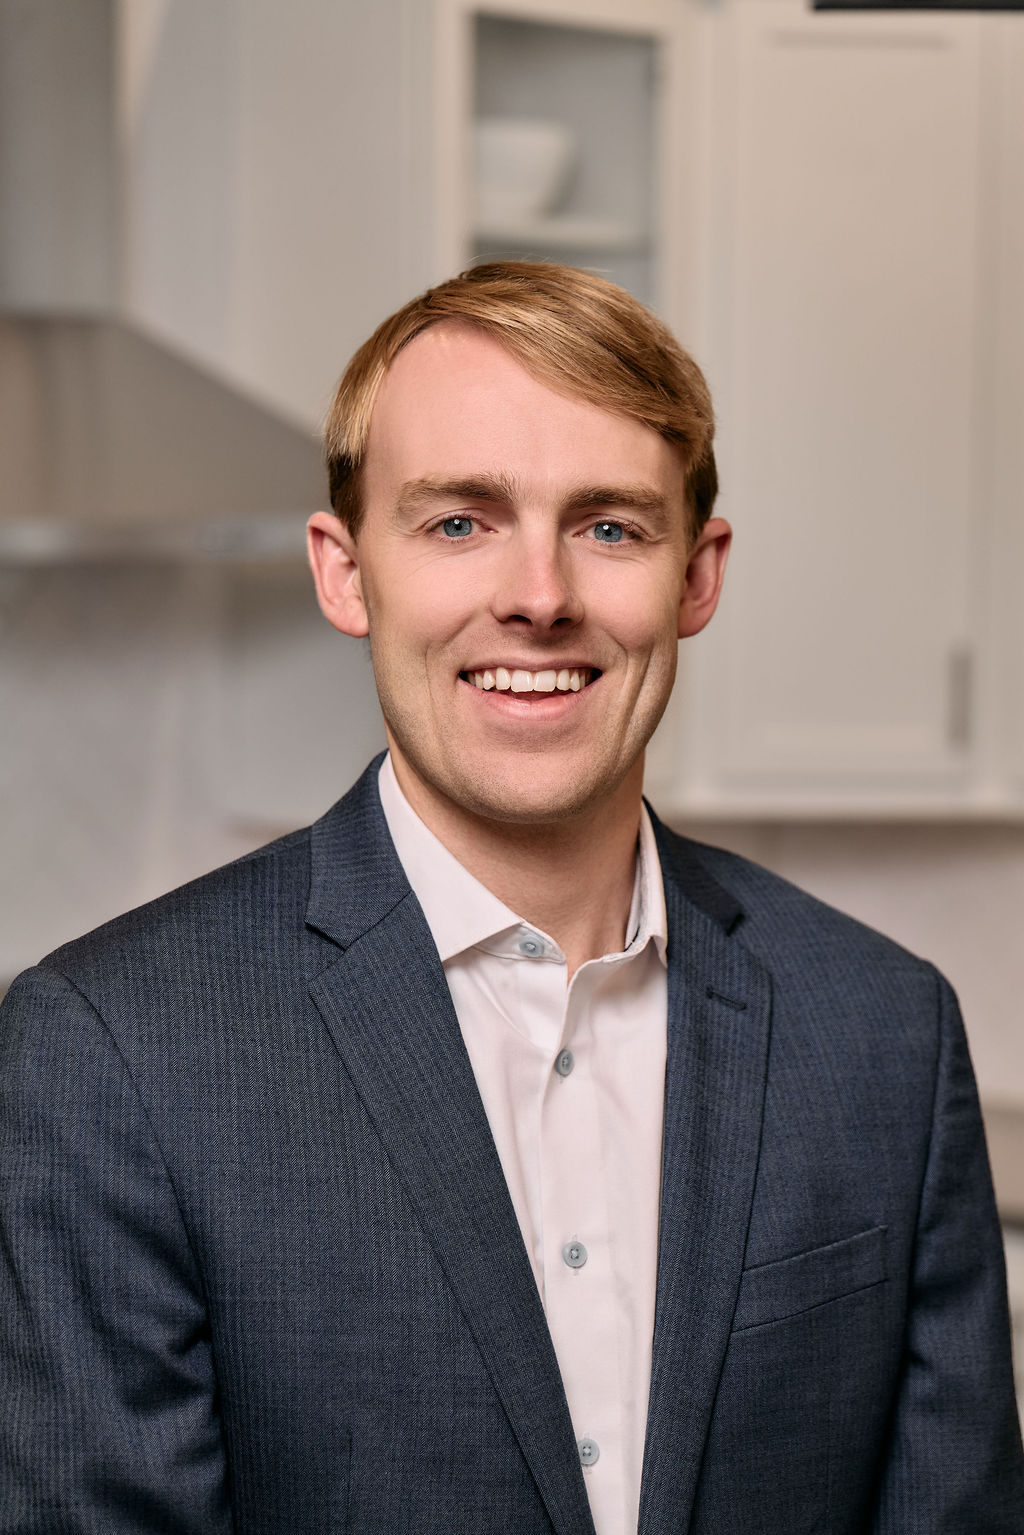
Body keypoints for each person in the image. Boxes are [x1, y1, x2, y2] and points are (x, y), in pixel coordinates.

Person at [1, 262, 1021, 1535]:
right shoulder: (111, 1051)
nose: (539, 596)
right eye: (457, 523)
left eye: (610, 527)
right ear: (345, 572)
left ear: (697, 575)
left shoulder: (886, 1030)